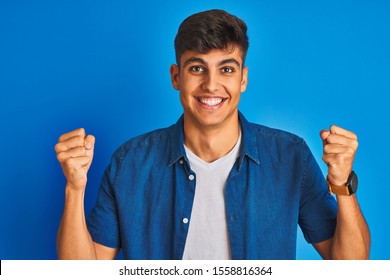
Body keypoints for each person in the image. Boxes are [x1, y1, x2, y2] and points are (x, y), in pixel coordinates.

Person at [54, 9, 370, 260]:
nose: (211, 85)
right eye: (197, 68)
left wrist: (342, 185)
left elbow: (351, 266)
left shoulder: (290, 156)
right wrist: (74, 188)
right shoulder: (130, 162)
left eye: (227, 69)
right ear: (176, 76)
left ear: (243, 79)